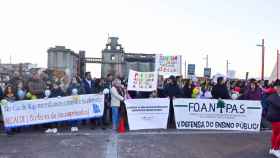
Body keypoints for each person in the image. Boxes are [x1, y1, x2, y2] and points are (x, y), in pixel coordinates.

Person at [266, 80, 280, 157]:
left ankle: (272, 148)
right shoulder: (274, 95)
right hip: (275, 117)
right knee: (277, 133)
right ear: (277, 87)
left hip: (274, 117)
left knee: (276, 133)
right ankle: (276, 149)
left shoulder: (273, 94)